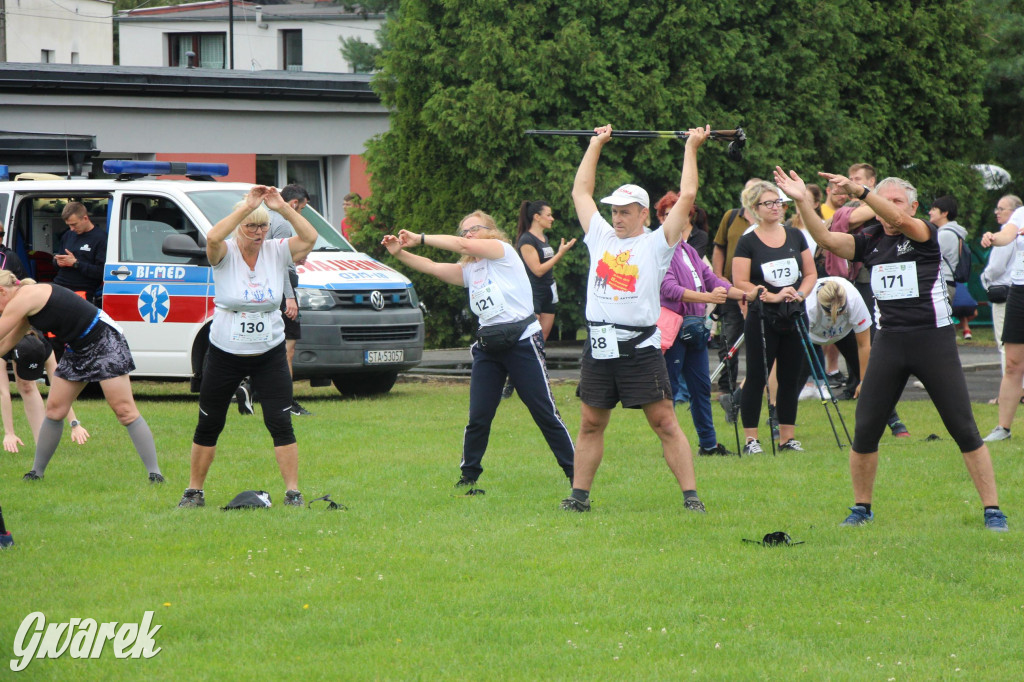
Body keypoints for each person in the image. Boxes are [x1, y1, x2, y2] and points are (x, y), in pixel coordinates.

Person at [776, 166, 1006, 531]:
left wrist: (864, 192)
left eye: (897, 200)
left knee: (963, 427)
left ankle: (993, 510)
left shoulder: (923, 232)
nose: (890, 208)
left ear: (913, 206)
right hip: (890, 343)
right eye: (887, 198)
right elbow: (828, 238)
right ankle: (861, 508)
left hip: (933, 340)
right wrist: (803, 201)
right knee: (865, 428)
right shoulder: (870, 239)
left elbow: (896, 216)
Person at [560, 124, 710, 514]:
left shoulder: (658, 243)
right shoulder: (601, 236)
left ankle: (691, 498)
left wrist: (691, 147)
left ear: (644, 213)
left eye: (626, 212)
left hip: (640, 348)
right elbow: (581, 191)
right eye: (614, 211)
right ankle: (578, 499)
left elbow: (689, 194)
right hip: (599, 346)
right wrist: (595, 145)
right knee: (591, 423)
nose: (618, 217)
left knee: (664, 422)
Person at [381, 212, 575, 489]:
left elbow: (463, 247)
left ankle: (575, 475)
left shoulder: (503, 251)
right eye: (464, 231)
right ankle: (468, 476)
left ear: (491, 231)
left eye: (474, 229)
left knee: (544, 412)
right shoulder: (472, 270)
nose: (468, 235)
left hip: (522, 341)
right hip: (489, 348)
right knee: (479, 416)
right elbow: (433, 267)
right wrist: (399, 253)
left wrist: (420, 238)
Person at [178, 186, 317, 508]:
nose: (258, 233)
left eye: (262, 226)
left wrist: (282, 207)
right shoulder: (223, 252)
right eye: (251, 226)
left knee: (280, 422)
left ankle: (293, 492)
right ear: (240, 226)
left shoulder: (278, 250)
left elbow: (309, 238)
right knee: (210, 421)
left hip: (269, 353)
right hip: (225, 354)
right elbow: (212, 238)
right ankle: (194, 491)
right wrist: (246, 209)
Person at [0, 271, 163, 482]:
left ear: (2, 291)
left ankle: (155, 473)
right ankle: (36, 473)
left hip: (104, 340)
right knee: (55, 410)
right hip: (77, 348)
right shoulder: (26, 307)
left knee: (124, 411)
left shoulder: (25, 297)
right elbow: (5, 344)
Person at [731, 181, 817, 454]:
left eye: (778, 202)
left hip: (793, 314)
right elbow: (741, 282)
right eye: (768, 203)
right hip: (762, 316)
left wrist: (800, 295)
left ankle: (787, 438)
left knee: (791, 377)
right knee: (757, 376)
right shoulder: (748, 241)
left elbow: (811, 273)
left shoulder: (795, 236)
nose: (775, 207)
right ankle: (751, 440)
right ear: (754, 208)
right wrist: (764, 294)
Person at [660, 225, 755, 456]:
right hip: (674, 330)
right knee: (670, 391)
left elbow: (711, 279)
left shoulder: (688, 251)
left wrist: (743, 294)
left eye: (679, 217)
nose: (674, 223)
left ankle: (709, 445)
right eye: (667, 216)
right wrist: (708, 298)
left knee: (701, 388)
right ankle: (670, 447)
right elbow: (669, 289)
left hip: (695, 329)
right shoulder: (661, 252)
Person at [235, 183, 313, 417]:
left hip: (264, 289)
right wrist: (289, 297)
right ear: (293, 204)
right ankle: (286, 402)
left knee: (268, 347)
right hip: (280, 289)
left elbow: (274, 257)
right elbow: (279, 266)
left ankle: (250, 389)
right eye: (302, 209)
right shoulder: (282, 223)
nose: (300, 214)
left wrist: (294, 260)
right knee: (287, 349)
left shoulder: (265, 221)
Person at [711, 178, 762, 395]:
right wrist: (718, 275)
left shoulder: (766, 220)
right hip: (732, 290)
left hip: (759, 290)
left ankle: (756, 387)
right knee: (729, 339)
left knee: (759, 341)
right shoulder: (732, 216)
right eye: (748, 189)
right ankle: (726, 388)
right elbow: (719, 247)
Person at [979, 197, 1024, 442]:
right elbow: (1008, 235)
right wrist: (993, 237)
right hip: (1018, 289)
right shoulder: (1020, 215)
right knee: (1013, 363)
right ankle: (1003, 428)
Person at [2, 330, 89, 452]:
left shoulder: (44, 346)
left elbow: (57, 384)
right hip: (6, 336)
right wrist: (9, 433)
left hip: (23, 337)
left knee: (26, 385)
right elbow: (3, 391)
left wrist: (74, 423)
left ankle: (41, 445)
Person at [514, 200, 576, 341]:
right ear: (537, 217)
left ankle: (541, 363)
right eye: (548, 215)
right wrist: (560, 254)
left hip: (548, 291)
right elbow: (538, 270)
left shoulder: (543, 238)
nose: (552, 218)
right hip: (533, 293)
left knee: (543, 337)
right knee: (530, 337)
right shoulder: (527, 240)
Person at [53, 202, 107, 304]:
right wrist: (58, 263)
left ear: (85, 218)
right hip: (59, 285)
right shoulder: (68, 235)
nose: (72, 229)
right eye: (69, 225)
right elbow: (57, 263)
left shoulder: (101, 238)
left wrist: (76, 264)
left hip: (82, 290)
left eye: (74, 224)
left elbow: (101, 272)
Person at [931, 195, 968, 304]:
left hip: (943, 283)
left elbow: (930, 256)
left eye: (934, 209)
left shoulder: (945, 234)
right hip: (948, 282)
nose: (930, 212)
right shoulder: (954, 232)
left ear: (944, 213)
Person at [655, 192, 709, 260]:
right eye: (668, 214)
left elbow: (693, 262)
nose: (673, 218)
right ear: (662, 218)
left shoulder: (700, 236)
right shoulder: (656, 238)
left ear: (688, 216)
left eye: (677, 214)